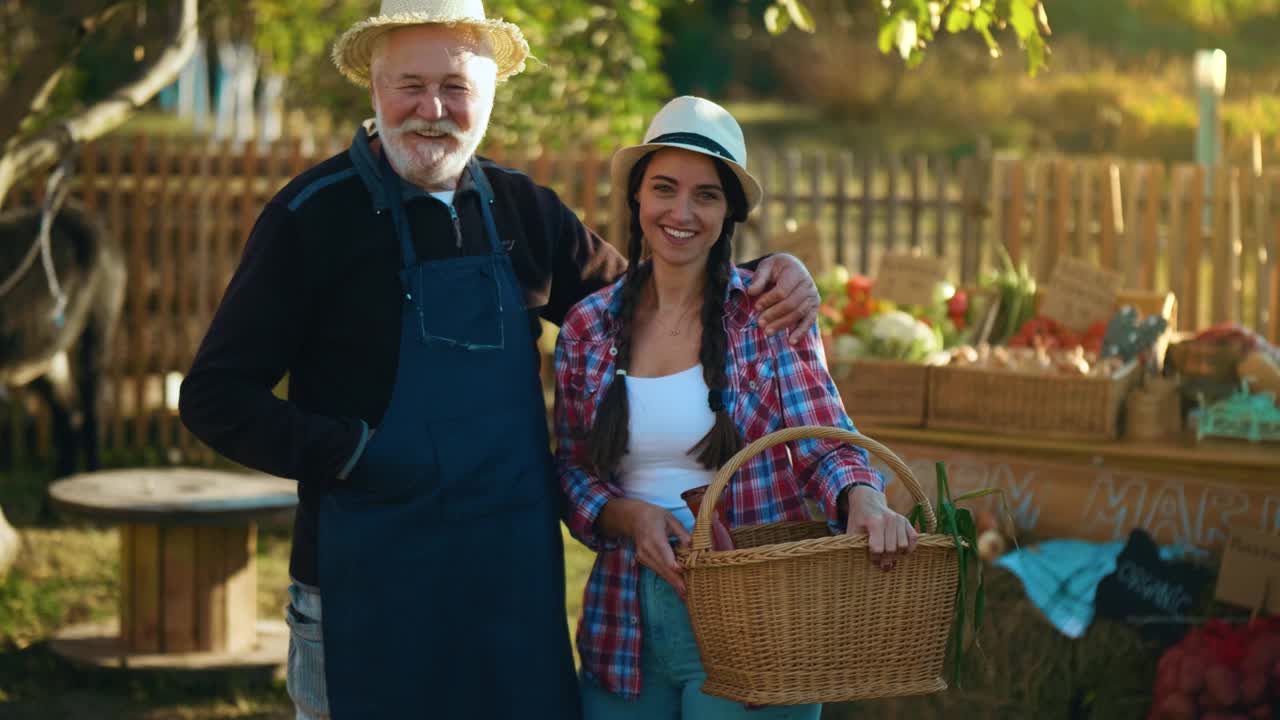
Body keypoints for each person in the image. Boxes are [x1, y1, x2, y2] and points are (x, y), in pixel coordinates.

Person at [177, 2, 821, 718]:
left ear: (488, 95)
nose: (432, 109)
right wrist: (355, 450)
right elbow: (214, 397)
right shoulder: (312, 217)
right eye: (410, 85)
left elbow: (654, 297)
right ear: (375, 87)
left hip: (507, 591)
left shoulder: (522, 209)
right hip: (368, 585)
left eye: (456, 87)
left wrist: (768, 270)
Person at [554, 96, 920, 720]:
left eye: (707, 196)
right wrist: (626, 516)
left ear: (729, 214)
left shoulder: (767, 312)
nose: (682, 212)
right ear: (637, 197)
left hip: (758, 616)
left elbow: (822, 438)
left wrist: (863, 496)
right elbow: (571, 469)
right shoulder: (588, 327)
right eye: (664, 188)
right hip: (625, 621)